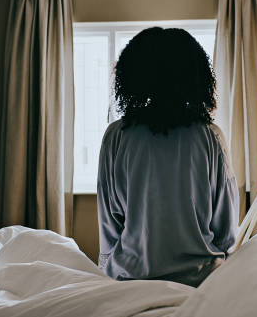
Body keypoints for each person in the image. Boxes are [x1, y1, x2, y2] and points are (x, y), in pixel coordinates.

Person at [97, 27, 239, 287]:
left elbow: (110, 228)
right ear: (195, 76)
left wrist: (109, 276)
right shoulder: (211, 137)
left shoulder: (116, 136)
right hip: (200, 281)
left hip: (131, 278)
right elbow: (226, 232)